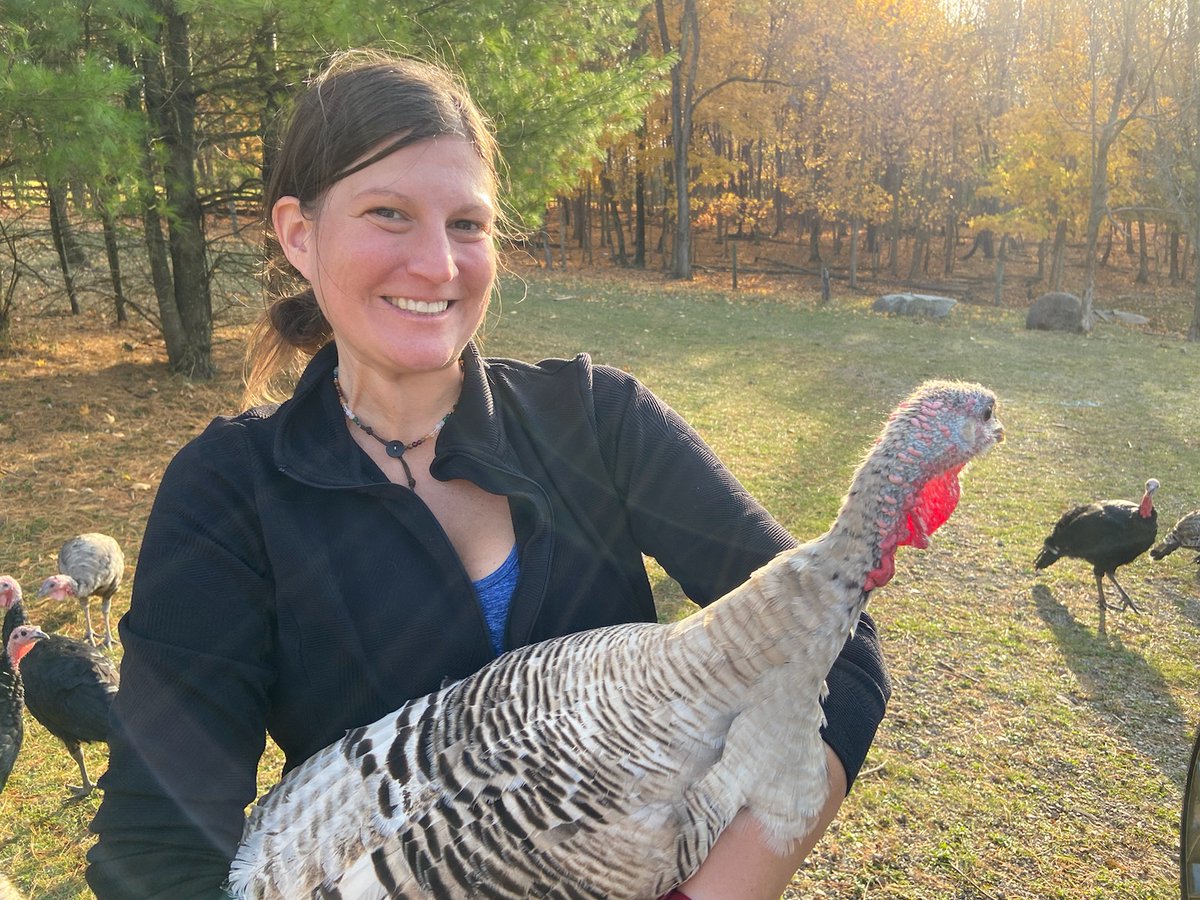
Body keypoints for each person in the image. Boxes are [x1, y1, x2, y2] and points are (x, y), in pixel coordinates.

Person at [87, 49, 890, 899]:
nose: (438, 265)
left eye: (467, 225)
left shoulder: (598, 419)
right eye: (389, 213)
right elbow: (159, 842)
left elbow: (838, 648)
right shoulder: (232, 491)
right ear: (298, 234)